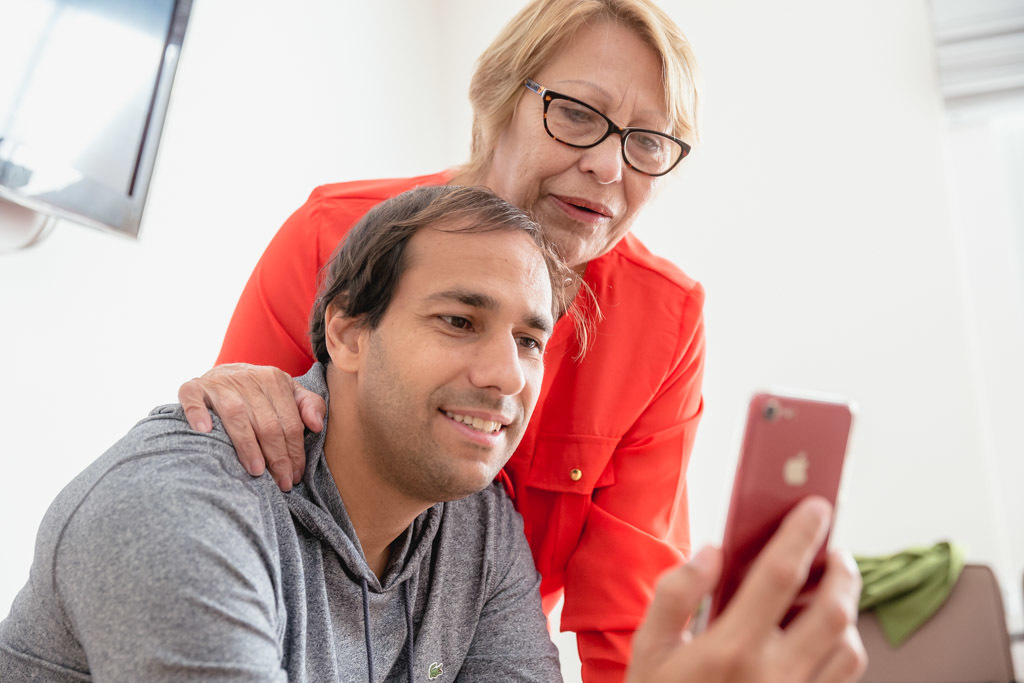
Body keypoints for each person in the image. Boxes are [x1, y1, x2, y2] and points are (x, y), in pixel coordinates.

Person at [176, 1, 849, 679]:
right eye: (578, 114)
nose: (608, 169)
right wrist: (234, 397)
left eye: (647, 142)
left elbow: (626, 625)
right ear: (500, 103)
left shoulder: (663, 322)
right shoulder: (335, 238)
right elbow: (230, 465)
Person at [0, 185, 866, 682]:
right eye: (459, 320)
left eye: (530, 338)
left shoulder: (477, 527)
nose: (506, 375)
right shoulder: (181, 511)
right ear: (343, 330)